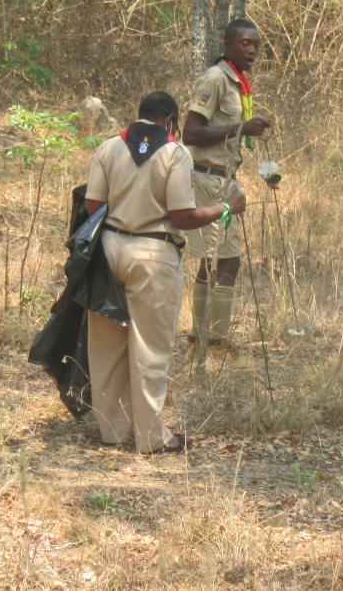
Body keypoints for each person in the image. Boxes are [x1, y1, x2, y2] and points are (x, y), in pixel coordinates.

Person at [83, 92, 246, 454]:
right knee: (151, 348)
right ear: (171, 119)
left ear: (139, 117)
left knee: (106, 345)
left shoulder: (109, 147)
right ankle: (151, 437)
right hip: (154, 254)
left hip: (108, 250)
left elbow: (93, 205)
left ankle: (112, 430)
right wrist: (226, 208)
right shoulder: (175, 154)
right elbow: (182, 217)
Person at [182, 18, 276, 349]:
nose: (251, 49)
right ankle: (208, 339)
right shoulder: (215, 79)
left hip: (226, 179)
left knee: (224, 259)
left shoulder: (239, 83)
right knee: (218, 259)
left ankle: (208, 336)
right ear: (228, 45)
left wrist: (266, 168)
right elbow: (191, 132)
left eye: (255, 44)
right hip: (208, 179)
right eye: (245, 43)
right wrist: (241, 129)